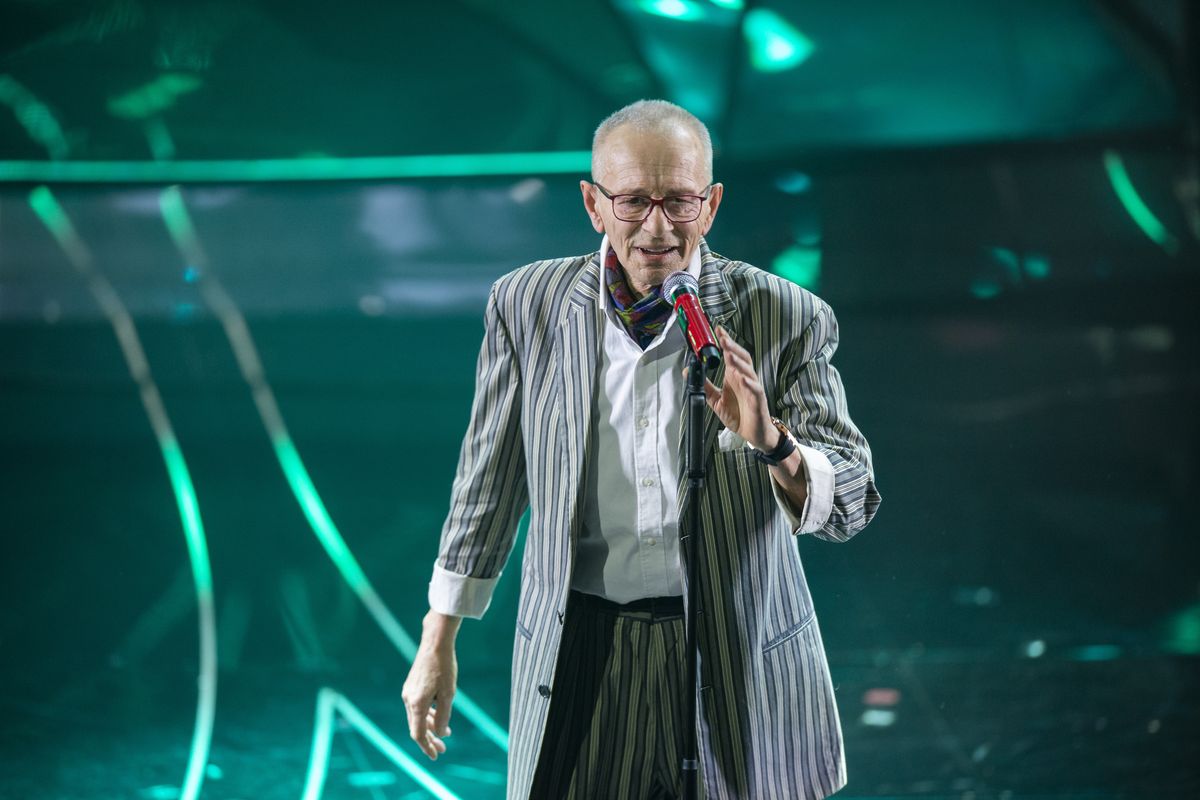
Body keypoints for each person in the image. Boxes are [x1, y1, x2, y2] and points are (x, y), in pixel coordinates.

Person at [402, 99, 881, 800]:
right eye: (633, 201)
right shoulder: (528, 304)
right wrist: (437, 637)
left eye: (679, 201)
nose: (657, 227)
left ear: (710, 205)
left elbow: (852, 502)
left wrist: (770, 440)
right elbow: (489, 481)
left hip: (732, 651)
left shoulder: (784, 314)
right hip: (584, 647)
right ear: (594, 205)